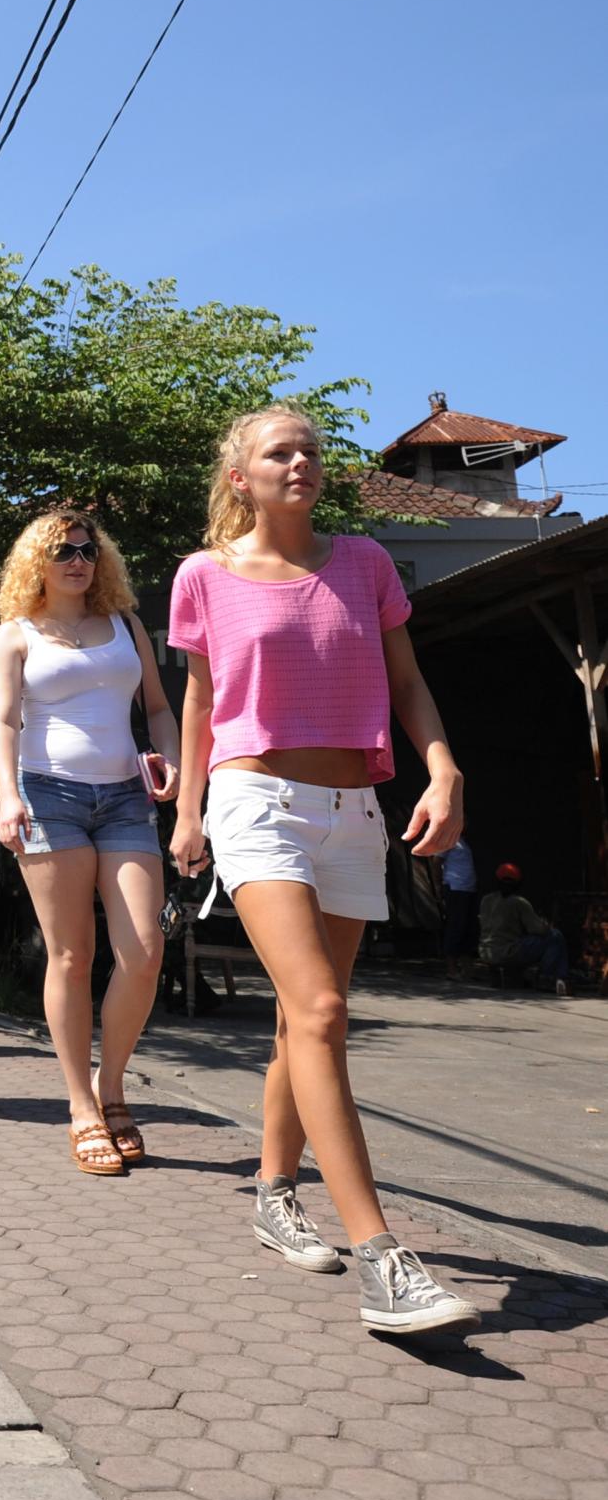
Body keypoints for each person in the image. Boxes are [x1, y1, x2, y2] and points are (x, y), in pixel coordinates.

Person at [168, 405, 480, 1336]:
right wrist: (186, 812)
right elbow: (200, 698)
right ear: (242, 478)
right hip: (255, 802)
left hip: (354, 813)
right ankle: (383, 1259)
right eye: (279, 452)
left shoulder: (366, 565)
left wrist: (445, 767)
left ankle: (272, 1191)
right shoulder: (205, 576)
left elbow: (408, 682)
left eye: (309, 449)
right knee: (322, 1014)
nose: (300, 461)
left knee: (301, 1024)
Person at [0, 509, 182, 1177]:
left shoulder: (126, 626)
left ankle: (112, 1083)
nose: (77, 559)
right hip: (48, 797)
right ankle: (80, 1107)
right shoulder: (14, 636)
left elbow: (157, 705)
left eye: (87, 549)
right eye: (63, 549)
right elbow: (3, 721)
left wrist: (172, 759)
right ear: (36, 560)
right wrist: (8, 798)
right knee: (72, 956)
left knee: (145, 951)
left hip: (126, 796)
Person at [479, 863, 570, 996]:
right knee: (555, 936)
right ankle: (550, 977)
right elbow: (539, 930)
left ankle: (548, 977)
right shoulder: (519, 902)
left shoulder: (486, 900)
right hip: (508, 951)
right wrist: (546, 924)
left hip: (486, 951)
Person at [439, 837, 480, 969]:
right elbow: (436, 861)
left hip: (468, 889)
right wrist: (438, 886)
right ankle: (452, 969)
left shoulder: (463, 842)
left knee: (468, 927)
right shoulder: (448, 839)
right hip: (455, 888)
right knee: (456, 926)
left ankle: (467, 968)